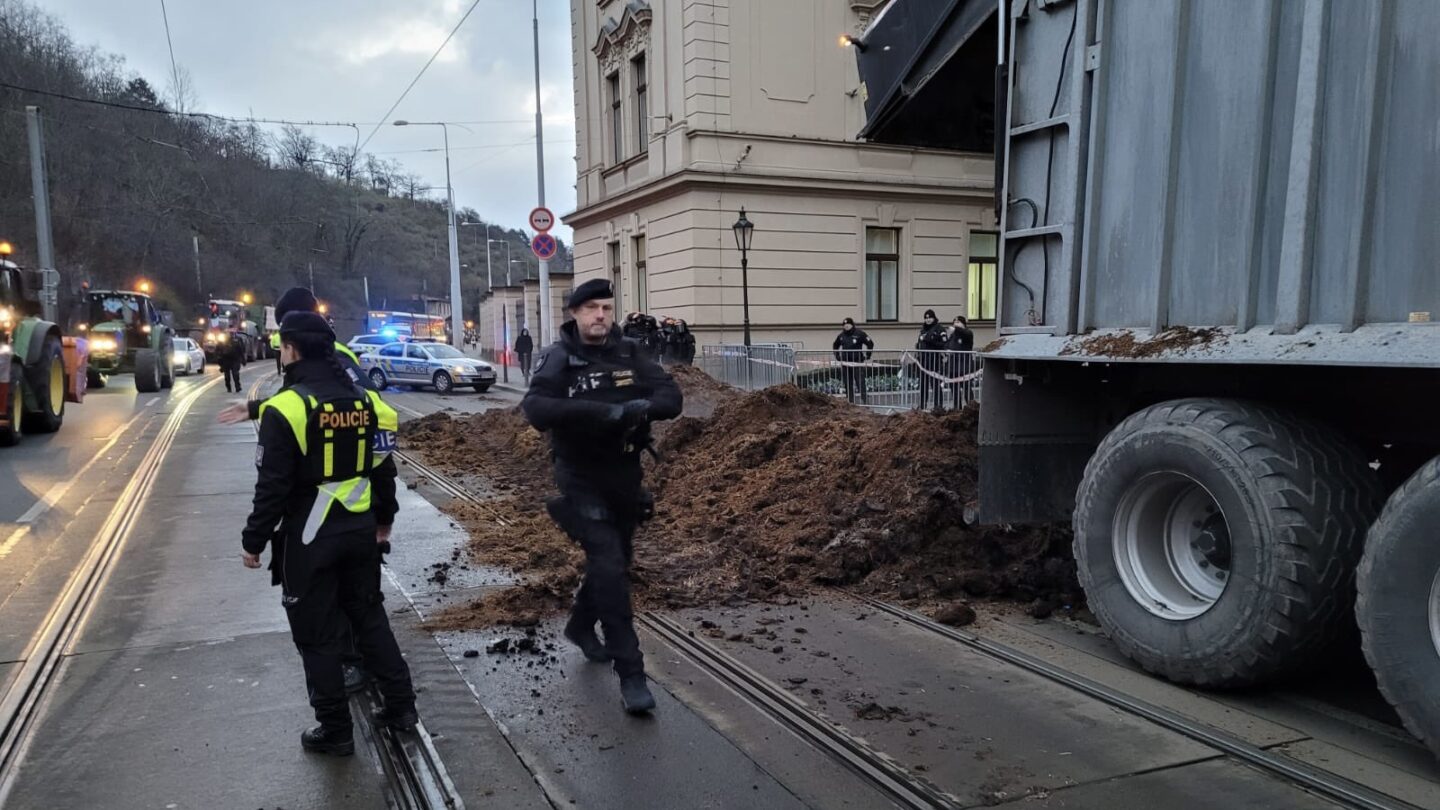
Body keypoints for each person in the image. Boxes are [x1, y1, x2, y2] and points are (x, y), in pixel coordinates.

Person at [241, 311, 418, 756]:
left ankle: (335, 730)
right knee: (370, 619)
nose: (280, 355)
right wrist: (384, 519)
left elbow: (272, 487)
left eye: (281, 348)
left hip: (309, 539)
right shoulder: (363, 401)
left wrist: (254, 540)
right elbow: (382, 468)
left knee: (317, 636)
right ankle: (402, 707)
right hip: (359, 532)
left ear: (293, 351)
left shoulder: (286, 407)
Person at [522, 279, 682, 714]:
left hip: (625, 474)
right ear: (575, 312)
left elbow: (671, 396)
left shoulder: (630, 352)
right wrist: (600, 413)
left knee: (615, 560)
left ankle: (578, 624)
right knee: (610, 565)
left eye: (606, 308)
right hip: (580, 474)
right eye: (591, 307)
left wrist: (640, 409)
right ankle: (631, 673)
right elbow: (536, 410)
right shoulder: (559, 359)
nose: (600, 316)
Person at [219, 287, 387, 694]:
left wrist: (385, 513)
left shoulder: (336, 359)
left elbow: (359, 418)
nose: (280, 345)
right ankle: (383, 687)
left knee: (342, 607)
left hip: (332, 508)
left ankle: (352, 667)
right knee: (357, 602)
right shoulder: (326, 357)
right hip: (351, 505)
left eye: (283, 337)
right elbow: (307, 401)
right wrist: (258, 408)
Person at [832, 317, 874, 404]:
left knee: (860, 381)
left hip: (857, 361)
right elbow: (835, 345)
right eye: (844, 325)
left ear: (852, 325)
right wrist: (837, 356)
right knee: (847, 382)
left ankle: (865, 400)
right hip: (845, 362)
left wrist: (868, 355)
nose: (846, 327)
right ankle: (850, 401)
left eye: (848, 325)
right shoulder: (841, 336)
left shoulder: (859, 334)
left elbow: (870, 343)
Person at [915, 309, 948, 410]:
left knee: (936, 385)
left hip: (935, 362)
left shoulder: (939, 329)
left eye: (930, 318)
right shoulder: (923, 330)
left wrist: (930, 341)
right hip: (923, 362)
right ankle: (922, 405)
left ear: (934, 318)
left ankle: (938, 406)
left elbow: (944, 344)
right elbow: (919, 344)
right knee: (923, 386)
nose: (928, 320)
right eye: (926, 318)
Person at [945, 315, 976, 408]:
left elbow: (965, 334)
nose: (955, 324)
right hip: (953, 368)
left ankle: (972, 409)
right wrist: (946, 351)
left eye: (958, 322)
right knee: (955, 391)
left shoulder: (968, 333)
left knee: (967, 389)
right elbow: (946, 345)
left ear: (963, 324)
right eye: (954, 322)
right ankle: (957, 409)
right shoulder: (952, 336)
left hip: (964, 368)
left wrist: (956, 330)